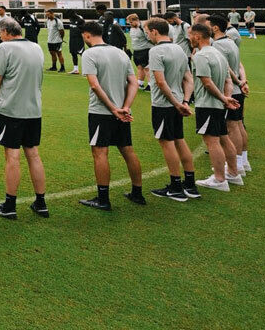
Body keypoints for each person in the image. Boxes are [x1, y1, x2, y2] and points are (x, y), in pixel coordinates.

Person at [78, 21, 144, 210]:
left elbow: (94, 85)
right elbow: (133, 82)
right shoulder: (120, 52)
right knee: (127, 149)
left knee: (100, 152)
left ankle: (103, 198)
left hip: (101, 112)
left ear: (87, 35)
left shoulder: (90, 54)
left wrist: (114, 108)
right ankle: (137, 193)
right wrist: (125, 107)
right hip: (122, 112)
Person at [0, 17, 48, 220]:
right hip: (33, 109)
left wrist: (3, 98)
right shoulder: (36, 47)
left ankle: (10, 205)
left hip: (12, 110)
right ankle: (41, 202)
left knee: (12, 156)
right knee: (33, 154)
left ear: (5, 31)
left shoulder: (5, 49)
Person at [144, 18, 197, 201]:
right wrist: (185, 101)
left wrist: (176, 103)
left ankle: (175, 186)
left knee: (167, 142)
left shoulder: (156, 51)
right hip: (178, 103)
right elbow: (189, 79)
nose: (147, 35)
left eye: (147, 31)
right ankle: (190, 183)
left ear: (155, 32)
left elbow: (160, 81)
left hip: (164, 105)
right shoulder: (180, 49)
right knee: (180, 140)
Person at [189, 23, 242, 191]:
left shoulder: (201, 56)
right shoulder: (218, 54)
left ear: (197, 36)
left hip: (207, 104)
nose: (189, 38)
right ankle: (233, 174)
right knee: (224, 138)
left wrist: (223, 98)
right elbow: (228, 80)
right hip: (218, 104)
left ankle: (220, 179)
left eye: (190, 35)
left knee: (212, 142)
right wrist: (226, 98)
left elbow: (206, 82)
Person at [209, 14, 252, 175]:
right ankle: (243, 161)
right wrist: (242, 82)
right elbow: (239, 65)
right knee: (239, 124)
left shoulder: (219, 45)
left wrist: (239, 82)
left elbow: (227, 69)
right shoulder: (231, 42)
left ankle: (237, 164)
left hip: (231, 91)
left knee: (232, 127)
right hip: (237, 90)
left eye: (208, 26)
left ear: (215, 27)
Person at [128, 14, 151, 89]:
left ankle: (150, 84)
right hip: (136, 51)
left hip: (145, 50)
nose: (130, 24)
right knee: (139, 67)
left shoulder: (143, 28)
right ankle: (140, 83)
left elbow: (149, 38)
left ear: (136, 20)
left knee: (147, 68)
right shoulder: (131, 29)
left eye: (131, 22)